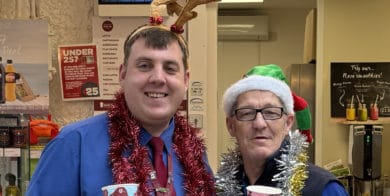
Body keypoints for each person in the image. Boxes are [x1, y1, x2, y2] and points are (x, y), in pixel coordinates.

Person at [26, 1, 217, 195]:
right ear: (123, 75)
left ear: (185, 81)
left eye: (170, 68)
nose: (158, 78)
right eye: (144, 65)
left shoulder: (194, 154)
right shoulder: (73, 145)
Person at [215, 74, 348, 196]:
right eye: (247, 113)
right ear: (231, 126)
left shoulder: (323, 189)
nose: (259, 124)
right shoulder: (218, 188)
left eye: (271, 113)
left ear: (288, 123)